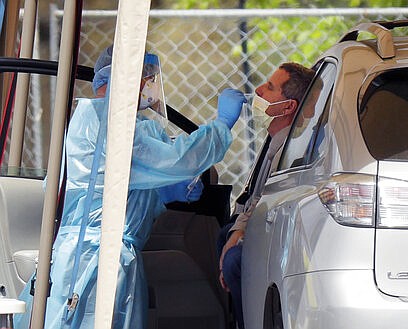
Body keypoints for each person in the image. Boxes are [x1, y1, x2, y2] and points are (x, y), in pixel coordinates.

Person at [15, 45, 246, 329]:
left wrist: (161, 193)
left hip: (98, 255)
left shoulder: (96, 121)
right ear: (124, 77)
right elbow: (177, 160)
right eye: (145, 77)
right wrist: (221, 126)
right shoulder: (110, 123)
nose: (150, 86)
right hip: (95, 259)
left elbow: (115, 190)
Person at [217, 62, 315, 329]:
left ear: (288, 107)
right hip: (260, 226)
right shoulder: (276, 139)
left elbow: (263, 199)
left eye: (270, 88)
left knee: (235, 259)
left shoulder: (291, 148)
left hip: (273, 235)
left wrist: (238, 235)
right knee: (223, 234)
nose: (258, 91)